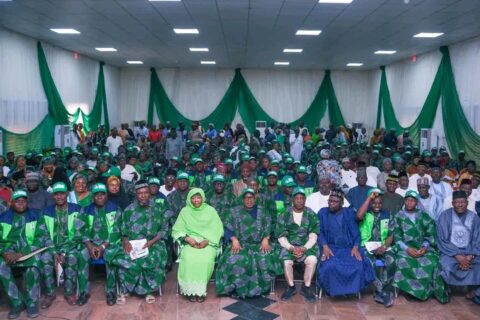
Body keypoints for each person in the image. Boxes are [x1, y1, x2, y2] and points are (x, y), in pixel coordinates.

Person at [109, 180, 169, 304]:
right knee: (126, 257)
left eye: (146, 192)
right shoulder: (129, 210)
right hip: (133, 243)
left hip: (154, 243)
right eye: (140, 193)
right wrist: (126, 242)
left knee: (151, 257)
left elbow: (164, 230)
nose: (143, 195)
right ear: (136, 194)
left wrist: (151, 242)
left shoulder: (158, 208)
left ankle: (148, 291)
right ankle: (126, 289)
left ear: (149, 193)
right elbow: (123, 231)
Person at [216, 188, 282, 298]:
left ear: (254, 198)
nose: (249, 200)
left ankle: (260, 289)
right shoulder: (234, 211)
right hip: (240, 244)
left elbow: (269, 225)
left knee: (265, 256)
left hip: (259, 244)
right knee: (235, 258)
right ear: (242, 199)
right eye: (246, 198)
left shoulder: (263, 210)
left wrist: (266, 238)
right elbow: (227, 227)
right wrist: (234, 240)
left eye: (251, 197)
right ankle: (236, 289)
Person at [391, 190, 448, 303]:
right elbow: (397, 238)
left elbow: (430, 234)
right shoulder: (398, 216)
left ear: (416, 202)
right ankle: (408, 291)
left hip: (424, 249)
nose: (409, 203)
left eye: (412, 200)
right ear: (404, 201)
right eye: (407, 200)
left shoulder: (424, 216)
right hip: (405, 249)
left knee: (433, 261)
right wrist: (407, 249)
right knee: (403, 261)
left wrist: (424, 247)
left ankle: (428, 291)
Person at [316, 189, 375, 296]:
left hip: (348, 248)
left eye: (335, 201)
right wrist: (324, 246)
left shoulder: (349, 213)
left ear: (342, 203)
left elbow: (356, 233)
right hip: (330, 247)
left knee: (357, 266)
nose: (331, 203)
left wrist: (356, 247)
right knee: (329, 266)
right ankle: (333, 291)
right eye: (330, 201)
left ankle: (351, 291)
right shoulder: (322, 213)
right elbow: (318, 232)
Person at [172, 188, 223, 302]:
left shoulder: (211, 211)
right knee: (188, 257)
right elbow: (176, 230)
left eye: (198, 197)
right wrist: (187, 238)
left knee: (205, 258)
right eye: (193, 198)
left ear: (203, 198)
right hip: (190, 243)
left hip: (208, 242)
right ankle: (190, 290)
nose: (196, 200)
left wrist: (207, 241)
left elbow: (218, 230)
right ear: (189, 199)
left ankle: (200, 291)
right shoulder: (185, 211)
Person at [36, 182, 83, 308]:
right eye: (56, 194)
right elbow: (43, 234)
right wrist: (54, 252)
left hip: (71, 246)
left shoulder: (77, 209)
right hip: (51, 247)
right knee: (45, 259)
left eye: (62, 193)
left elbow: (79, 234)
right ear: (53, 196)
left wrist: (63, 252)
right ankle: (50, 294)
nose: (59, 197)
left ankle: (69, 292)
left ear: (67, 194)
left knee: (72, 258)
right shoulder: (46, 211)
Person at [76, 183, 122, 306]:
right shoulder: (85, 210)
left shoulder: (115, 209)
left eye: (102, 194)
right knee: (81, 255)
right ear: (92, 197)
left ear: (107, 195)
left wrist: (102, 247)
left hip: (109, 244)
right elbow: (80, 229)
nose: (100, 197)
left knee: (110, 255)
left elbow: (117, 231)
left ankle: (111, 292)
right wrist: (90, 246)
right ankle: (83, 292)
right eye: (97, 195)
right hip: (90, 244)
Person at [0, 190, 42, 319]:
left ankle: (31, 302)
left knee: (33, 266)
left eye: (23, 201)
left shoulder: (36, 215)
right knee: (1, 267)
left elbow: (40, 238)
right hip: (9, 252)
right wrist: (4, 253)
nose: (20, 204)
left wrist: (20, 253)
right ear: (11, 203)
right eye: (17, 201)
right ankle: (17, 302)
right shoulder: (3, 217)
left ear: (27, 202)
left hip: (29, 251)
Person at [437, 190, 480, 304]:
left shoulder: (475, 218)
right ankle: (447, 290)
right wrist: (458, 256)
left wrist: (469, 256)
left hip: (471, 253)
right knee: (446, 267)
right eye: (457, 202)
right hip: (450, 253)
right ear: (452, 203)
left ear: (467, 202)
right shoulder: (445, 216)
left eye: (463, 202)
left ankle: (475, 292)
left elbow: (478, 240)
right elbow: (442, 240)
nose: (460, 205)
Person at [277, 187, 319, 303]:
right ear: (292, 199)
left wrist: (304, 248)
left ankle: (306, 288)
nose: (300, 200)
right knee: (287, 262)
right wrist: (291, 248)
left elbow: (313, 235)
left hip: (306, 246)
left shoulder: (310, 213)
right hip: (289, 246)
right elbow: (281, 236)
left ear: (305, 199)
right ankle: (291, 287)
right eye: (297, 198)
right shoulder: (285, 214)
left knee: (312, 260)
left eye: (302, 198)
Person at [356, 188, 395, 307]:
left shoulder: (387, 215)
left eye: (379, 203)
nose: (377, 205)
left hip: (383, 247)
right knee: (375, 263)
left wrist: (383, 247)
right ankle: (383, 292)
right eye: (374, 202)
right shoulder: (365, 213)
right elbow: (358, 216)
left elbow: (390, 235)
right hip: (367, 247)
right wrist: (369, 198)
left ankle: (383, 291)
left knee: (391, 261)